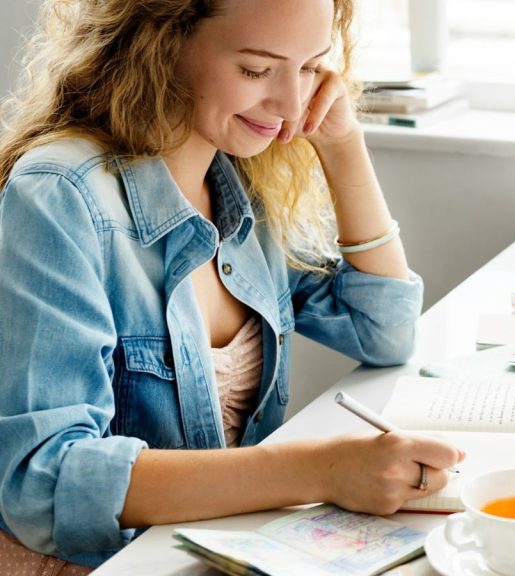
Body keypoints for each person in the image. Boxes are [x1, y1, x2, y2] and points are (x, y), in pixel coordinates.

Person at [0, 0, 463, 572]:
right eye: (256, 70)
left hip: (209, 549)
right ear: (161, 45)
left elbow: (384, 331)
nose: (292, 105)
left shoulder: (238, 180)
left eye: (311, 68)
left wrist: (343, 146)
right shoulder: (59, 197)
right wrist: (322, 470)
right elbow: (42, 484)